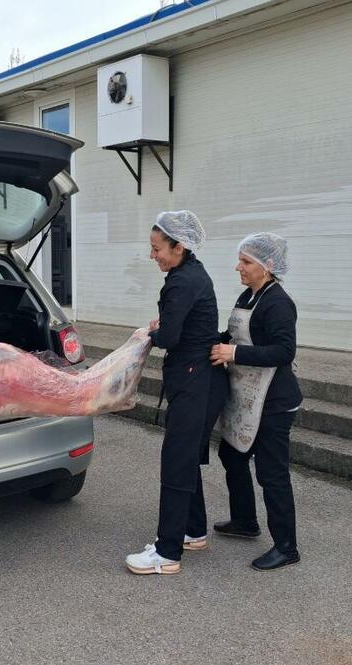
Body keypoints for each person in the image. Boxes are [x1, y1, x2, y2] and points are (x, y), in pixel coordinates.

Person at [125, 211, 229, 575]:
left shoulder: (182, 281)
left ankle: (167, 553)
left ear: (179, 246)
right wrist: (164, 327)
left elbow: (169, 337)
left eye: (157, 249)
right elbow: (177, 327)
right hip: (201, 378)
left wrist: (152, 333)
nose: (153, 256)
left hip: (194, 380)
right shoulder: (190, 274)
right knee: (186, 458)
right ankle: (193, 530)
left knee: (176, 461)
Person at [209, 232, 303, 572]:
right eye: (240, 260)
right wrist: (211, 339)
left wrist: (233, 352)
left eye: (246, 262)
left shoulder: (278, 302)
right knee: (232, 455)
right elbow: (235, 334)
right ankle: (245, 521)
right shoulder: (249, 296)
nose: (239, 267)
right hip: (246, 395)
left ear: (268, 265)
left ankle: (286, 546)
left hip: (274, 401)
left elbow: (283, 350)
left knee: (271, 472)